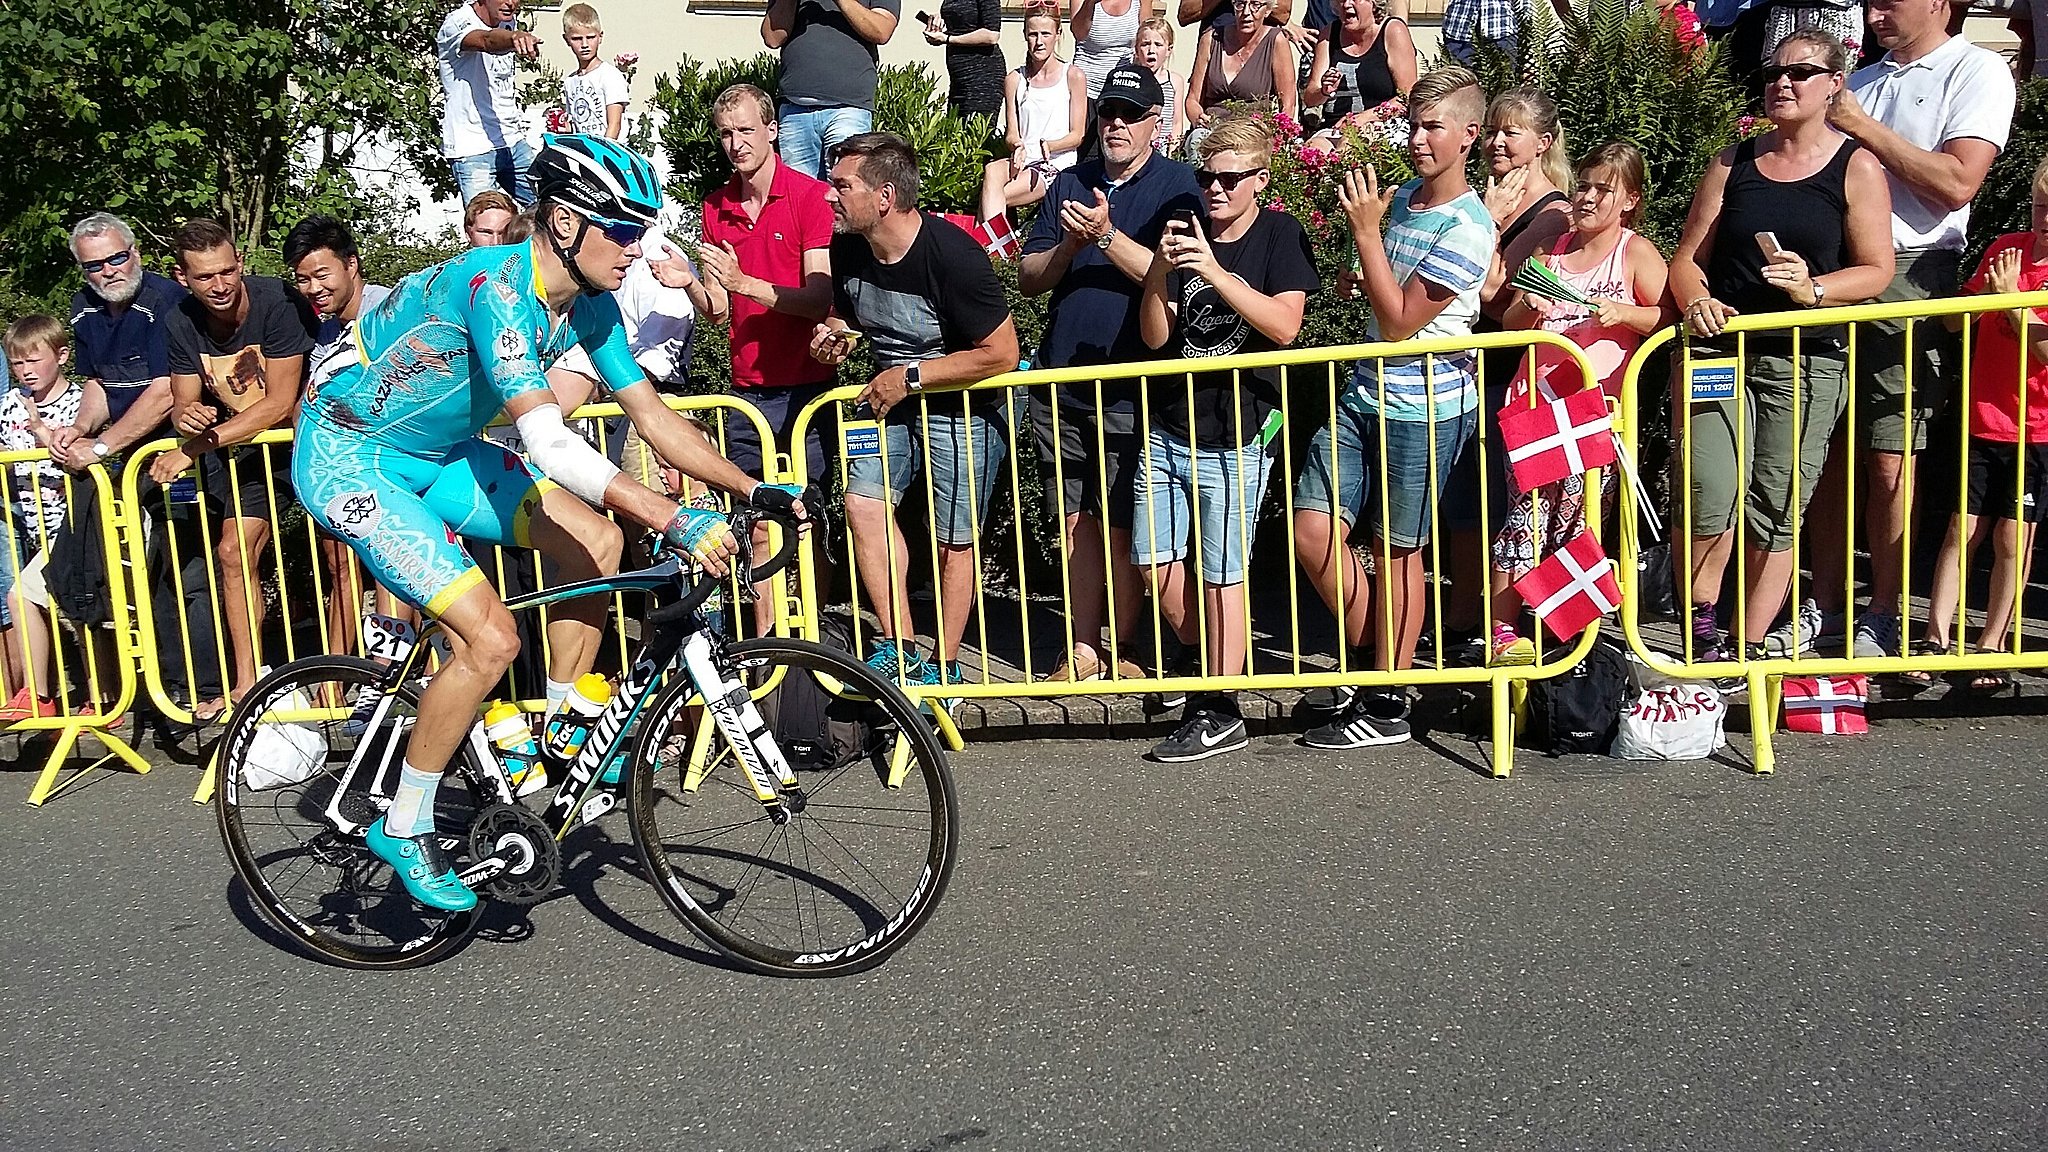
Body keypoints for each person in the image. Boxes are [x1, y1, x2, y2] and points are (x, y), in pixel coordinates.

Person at [295, 135, 803, 911]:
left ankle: (567, 721)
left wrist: (751, 484)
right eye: (625, 231)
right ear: (566, 221)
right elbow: (548, 441)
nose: (638, 248)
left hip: (436, 452)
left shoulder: (591, 306)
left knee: (597, 541)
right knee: (493, 638)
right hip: (349, 457)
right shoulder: (497, 289)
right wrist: (669, 514)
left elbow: (650, 413)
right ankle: (404, 820)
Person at [1667, 30, 1894, 663]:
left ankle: (1750, 644)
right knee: (1710, 486)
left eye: (1800, 72)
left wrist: (1814, 287)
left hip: (1806, 355)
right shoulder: (1731, 161)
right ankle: (1701, 625)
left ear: (1834, 86)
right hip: (1722, 351)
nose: (1782, 83)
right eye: (1773, 72)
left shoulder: (1856, 165)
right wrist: (1696, 301)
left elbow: (1876, 269)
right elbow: (1688, 259)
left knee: (1778, 498)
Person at [1803, 0, 2017, 660]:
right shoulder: (1861, 80)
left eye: (1888, 1)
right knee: (1825, 447)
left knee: (1891, 453)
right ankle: (1826, 602)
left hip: (1915, 270)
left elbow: (1956, 183)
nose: (1873, 14)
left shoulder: (1976, 69)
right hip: (1837, 266)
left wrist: (1860, 126)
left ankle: (1884, 609)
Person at [1292, 65, 1494, 751]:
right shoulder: (1404, 196)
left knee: (1397, 551)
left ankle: (1385, 699)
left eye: (1433, 126)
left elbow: (1404, 320)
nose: (1416, 138)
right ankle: (1373, 660)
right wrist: (1364, 263)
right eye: (1413, 123)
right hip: (1366, 389)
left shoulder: (1471, 226)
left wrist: (1369, 238)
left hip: (1427, 406)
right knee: (1312, 530)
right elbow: (1384, 298)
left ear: (1469, 136)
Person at [1134, 114, 1318, 761]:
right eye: (1207, 176)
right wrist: (1159, 271)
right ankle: (1205, 667)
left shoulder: (1279, 235)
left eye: (1229, 179)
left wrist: (1212, 272)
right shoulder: (1185, 233)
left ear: (1261, 182)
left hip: (1237, 432)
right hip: (1170, 425)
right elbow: (1157, 336)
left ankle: (1223, 707)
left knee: (1222, 575)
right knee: (1155, 563)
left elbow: (1285, 326)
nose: (1214, 189)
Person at [810, 132, 1021, 691]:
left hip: (967, 408)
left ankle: (944, 670)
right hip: (891, 398)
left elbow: (1002, 353)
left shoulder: (954, 256)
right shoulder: (849, 247)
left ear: (883, 196)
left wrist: (910, 377)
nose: (830, 196)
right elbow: (853, 320)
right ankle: (899, 648)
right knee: (863, 505)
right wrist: (836, 336)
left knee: (956, 540)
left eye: (842, 186)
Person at [1017, 63, 1204, 684]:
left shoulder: (1181, 187)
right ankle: (1082, 645)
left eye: (1131, 114)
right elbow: (1030, 276)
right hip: (1062, 379)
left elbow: (1175, 274)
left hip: (1138, 382)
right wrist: (1071, 245)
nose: (1117, 124)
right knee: (1075, 521)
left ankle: (1124, 644)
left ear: (1158, 123)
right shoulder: (1069, 180)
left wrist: (1104, 236)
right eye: (1108, 114)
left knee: (1124, 522)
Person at [1486, 142, 1671, 663]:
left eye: (1602, 190)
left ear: (1630, 199)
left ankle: (1565, 632)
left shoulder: (1635, 252)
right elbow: (1508, 323)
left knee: (1581, 521)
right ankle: (1503, 630)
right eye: (1583, 186)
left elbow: (1668, 316)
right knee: (1524, 519)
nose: (1588, 198)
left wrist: (1626, 314)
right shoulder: (1551, 254)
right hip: (1535, 409)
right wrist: (1530, 307)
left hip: (1597, 414)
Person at [151, 218, 319, 717]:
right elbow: (183, 404)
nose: (220, 286)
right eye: (205, 278)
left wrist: (194, 447)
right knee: (232, 553)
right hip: (243, 448)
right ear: (183, 278)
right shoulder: (179, 320)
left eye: (227, 272)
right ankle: (249, 683)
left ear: (240, 264)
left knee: (339, 558)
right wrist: (190, 418)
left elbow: (278, 402)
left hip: (310, 437)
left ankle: (351, 682)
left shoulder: (277, 302)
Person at [695, 83, 840, 637]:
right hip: (747, 389)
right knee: (758, 521)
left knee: (809, 518)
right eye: (726, 133)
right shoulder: (715, 204)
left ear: (772, 130)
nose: (735, 144)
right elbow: (715, 306)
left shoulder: (807, 196)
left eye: (746, 131)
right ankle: (767, 646)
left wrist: (744, 284)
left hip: (806, 386)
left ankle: (812, 637)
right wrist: (689, 284)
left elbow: (818, 297)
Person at [1914, 156, 2048, 693]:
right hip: (1983, 417)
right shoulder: (2006, 250)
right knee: (1960, 529)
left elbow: (2042, 352)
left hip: (2036, 430)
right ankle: (1935, 638)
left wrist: (2014, 304)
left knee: (2014, 540)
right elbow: (1954, 318)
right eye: (2040, 206)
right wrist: (1986, 300)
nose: (2045, 219)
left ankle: (1993, 644)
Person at [283, 216, 403, 660]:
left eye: (321, 274)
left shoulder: (387, 311)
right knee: (350, 568)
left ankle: (390, 672)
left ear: (352, 264)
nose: (313, 288)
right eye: (302, 279)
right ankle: (359, 676)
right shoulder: (324, 326)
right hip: (348, 470)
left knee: (394, 565)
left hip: (394, 465)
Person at [0, 317, 86, 720]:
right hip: (38, 527)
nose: (26, 371)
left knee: (78, 610)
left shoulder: (80, 401)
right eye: (17, 365)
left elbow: (78, 456)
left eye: (33, 361)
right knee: (53, 603)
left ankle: (88, 697)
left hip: (78, 523)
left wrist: (41, 431)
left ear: (62, 356)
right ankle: (47, 695)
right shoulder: (9, 406)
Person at [762, 0, 901, 179]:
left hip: (848, 109)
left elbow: (881, 30)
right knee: (799, 196)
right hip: (795, 109)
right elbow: (772, 38)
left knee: (845, 190)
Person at [978, 9, 1087, 226]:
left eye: (1045, 34)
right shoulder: (1014, 79)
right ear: (1025, 35)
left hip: (1055, 163)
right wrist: (1017, 145)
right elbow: (1012, 134)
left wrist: (1050, 145)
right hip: (1023, 159)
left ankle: (992, 252)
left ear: (1057, 35)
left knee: (994, 195)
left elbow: (1078, 135)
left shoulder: (1073, 76)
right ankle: (995, 248)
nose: (1039, 41)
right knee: (992, 171)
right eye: (1033, 34)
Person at [437, 0, 542, 205]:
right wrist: (514, 38)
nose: (510, 3)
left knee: (550, 208)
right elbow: (486, 40)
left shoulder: (507, 21)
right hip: (473, 148)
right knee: (487, 225)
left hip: (512, 141)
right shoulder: (458, 22)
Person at [1302, 0, 1415, 138]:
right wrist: (1323, 91)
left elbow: (1407, 97)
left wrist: (1364, 118)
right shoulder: (1329, 34)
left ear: (1374, 3)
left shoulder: (1393, 30)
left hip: (1381, 125)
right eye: (1341, 0)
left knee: (1347, 146)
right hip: (1334, 128)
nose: (1346, 5)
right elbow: (1309, 98)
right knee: (1312, 151)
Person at [1188, 0, 1298, 127]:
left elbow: (1288, 105)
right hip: (1212, 129)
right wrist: (1199, 119)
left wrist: (1278, 134)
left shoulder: (1276, 41)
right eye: (1240, 4)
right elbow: (1192, 99)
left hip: (1254, 132)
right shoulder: (1211, 39)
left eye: (1255, 5)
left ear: (1267, 10)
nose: (1246, 12)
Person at [922, 0, 1005, 119]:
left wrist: (947, 39)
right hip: (958, 77)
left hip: (982, 76)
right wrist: (939, 21)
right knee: (954, 130)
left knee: (975, 131)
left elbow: (991, 35)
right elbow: (963, 24)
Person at [561, 3, 629, 140]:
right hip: (584, 154)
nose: (585, 45)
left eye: (590, 37)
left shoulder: (610, 75)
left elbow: (614, 125)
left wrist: (601, 156)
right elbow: (577, 124)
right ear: (567, 40)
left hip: (608, 154)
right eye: (577, 39)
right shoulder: (570, 81)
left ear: (600, 37)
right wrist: (565, 128)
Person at [1074, 0, 1155, 103]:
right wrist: (1089, 4)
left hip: (1124, 88)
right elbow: (1078, 34)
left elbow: (1147, 35)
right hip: (1087, 89)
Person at [1133, 19, 1186, 153]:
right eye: (1145, 44)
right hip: (1139, 146)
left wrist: (1173, 148)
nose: (1151, 50)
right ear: (1137, 50)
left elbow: (1176, 122)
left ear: (1169, 50)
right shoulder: (1133, 79)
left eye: (1158, 44)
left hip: (1163, 148)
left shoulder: (1174, 81)